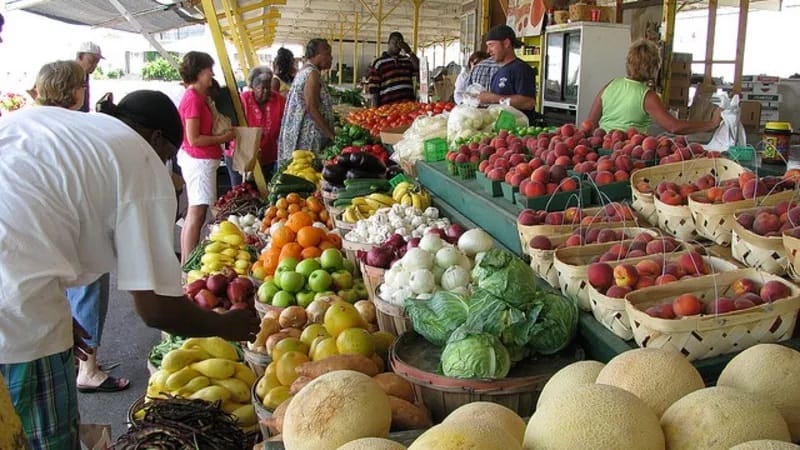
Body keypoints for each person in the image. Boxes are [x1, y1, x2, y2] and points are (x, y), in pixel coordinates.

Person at [0, 88, 260, 449]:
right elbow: (155, 308)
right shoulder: (140, 158)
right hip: (14, 320)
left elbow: (27, 216)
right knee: (42, 440)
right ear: (156, 139)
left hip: (17, 294)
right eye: (169, 154)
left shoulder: (49, 121)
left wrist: (49, 306)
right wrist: (225, 326)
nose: (166, 165)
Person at [32, 60, 130, 394]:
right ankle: (88, 368)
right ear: (75, 92)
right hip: (72, 224)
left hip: (34, 228)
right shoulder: (79, 127)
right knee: (88, 285)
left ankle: (69, 358)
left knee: (50, 294)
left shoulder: (29, 123)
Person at [586, 39, 722, 134]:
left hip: (603, 150)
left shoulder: (610, 85)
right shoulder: (647, 96)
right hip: (628, 153)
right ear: (654, 68)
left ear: (628, 62)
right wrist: (711, 124)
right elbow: (674, 127)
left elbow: (589, 124)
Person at [177, 51, 236, 264]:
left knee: (196, 213)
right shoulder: (193, 98)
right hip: (198, 162)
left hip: (201, 161)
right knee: (197, 214)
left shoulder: (199, 97)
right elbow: (194, 139)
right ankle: (187, 265)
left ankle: (185, 262)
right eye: (208, 69)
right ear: (198, 72)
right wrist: (224, 137)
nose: (211, 73)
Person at [277, 38, 336, 162]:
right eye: (328, 54)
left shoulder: (304, 70)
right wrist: (331, 135)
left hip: (303, 135)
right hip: (308, 138)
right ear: (319, 55)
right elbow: (311, 108)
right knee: (307, 169)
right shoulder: (312, 74)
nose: (331, 58)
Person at [477, 25, 537, 121]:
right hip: (501, 130)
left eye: (491, 45)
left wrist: (493, 98)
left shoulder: (521, 69)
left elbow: (528, 102)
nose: (488, 51)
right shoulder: (498, 72)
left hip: (518, 131)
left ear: (506, 43)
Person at [241, 66, 286, 175]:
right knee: (243, 189)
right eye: (261, 88)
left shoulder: (279, 101)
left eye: (268, 87)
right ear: (253, 86)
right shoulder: (243, 100)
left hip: (269, 156)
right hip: (244, 155)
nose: (266, 92)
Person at [367, 31, 420, 107]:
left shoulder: (407, 60)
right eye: (394, 42)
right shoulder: (378, 63)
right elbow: (374, 90)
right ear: (388, 43)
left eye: (400, 43)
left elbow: (420, 68)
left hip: (408, 107)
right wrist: (375, 110)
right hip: (388, 108)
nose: (397, 45)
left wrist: (409, 51)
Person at [208, 78, 241, 186]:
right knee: (237, 181)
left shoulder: (214, 103)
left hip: (231, 145)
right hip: (229, 147)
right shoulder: (211, 103)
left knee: (237, 182)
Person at [75, 41, 103, 112]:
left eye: (97, 62)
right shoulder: (69, 74)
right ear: (80, 56)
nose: (95, 66)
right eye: (91, 61)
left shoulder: (85, 74)